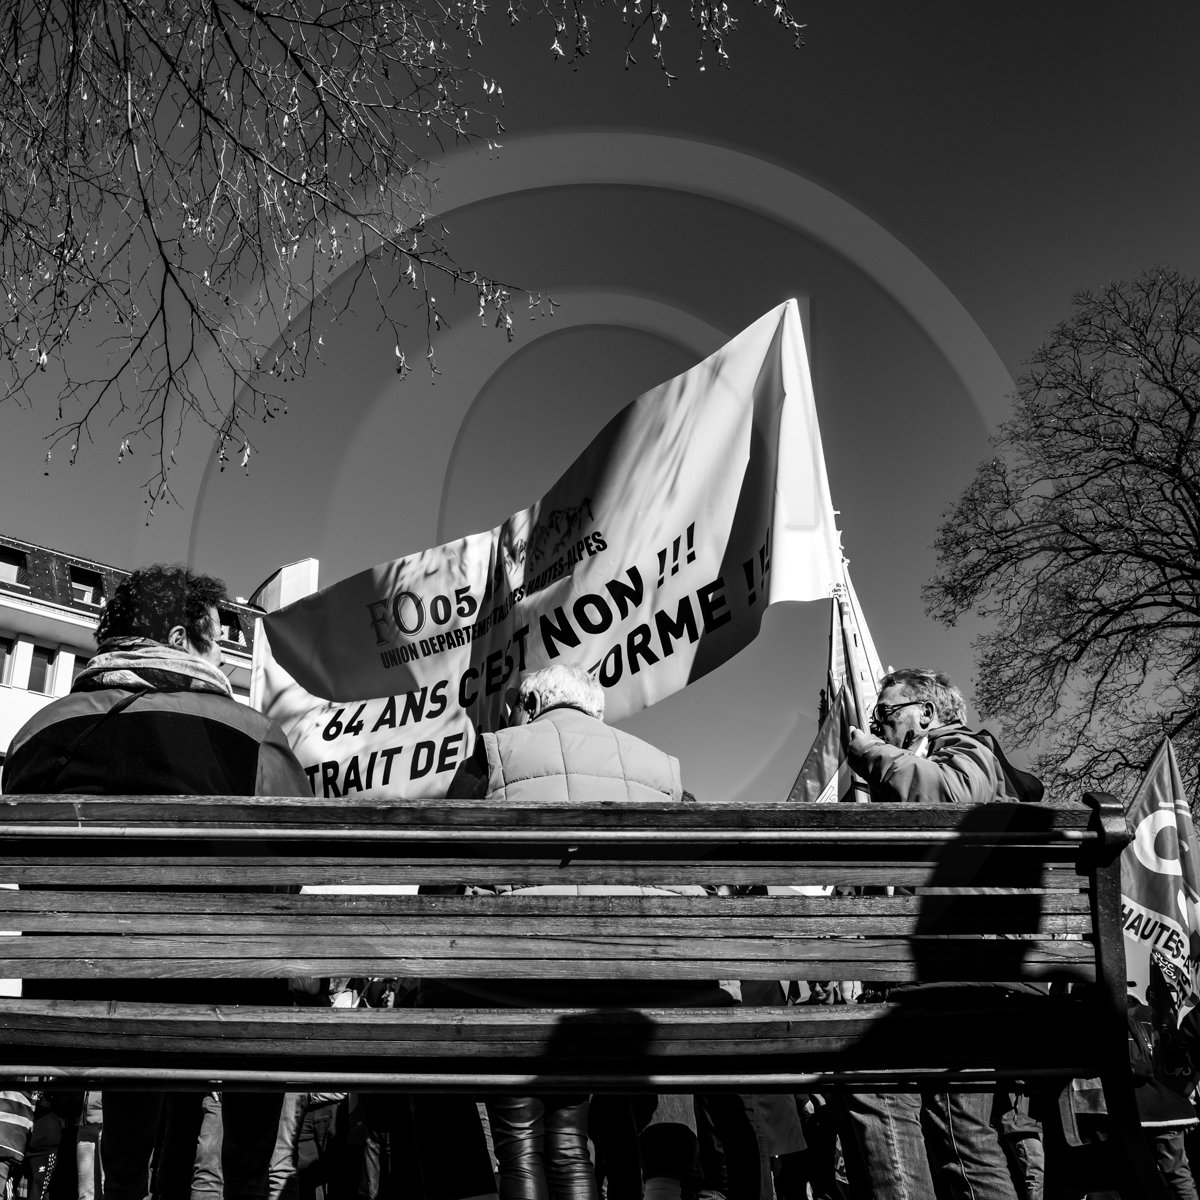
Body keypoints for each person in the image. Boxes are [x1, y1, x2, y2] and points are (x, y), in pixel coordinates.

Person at [2, 564, 313, 1200]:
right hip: (215, 996)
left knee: (132, 994)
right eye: (213, 642)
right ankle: (247, 1186)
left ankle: (123, 1186)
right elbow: (291, 872)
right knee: (259, 981)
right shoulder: (250, 734)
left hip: (72, 993)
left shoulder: (37, 732)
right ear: (178, 639)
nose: (220, 660)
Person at [440, 663, 700, 1200]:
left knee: (516, 1138)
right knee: (566, 1140)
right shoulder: (662, 767)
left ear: (531, 706)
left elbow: (439, 874)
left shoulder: (494, 752)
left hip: (521, 986)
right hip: (642, 988)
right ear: (594, 711)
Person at [840, 668, 1027, 1200]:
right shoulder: (926, 763)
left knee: (884, 1088)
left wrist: (870, 754)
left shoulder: (967, 749)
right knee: (961, 1131)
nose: (876, 725)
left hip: (962, 974)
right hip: (954, 972)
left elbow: (951, 794)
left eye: (885, 712)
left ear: (926, 712)